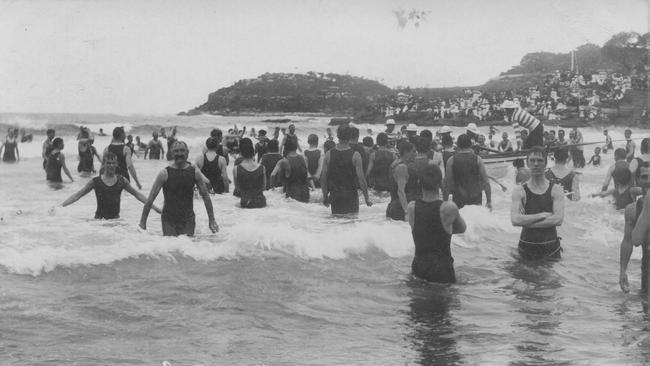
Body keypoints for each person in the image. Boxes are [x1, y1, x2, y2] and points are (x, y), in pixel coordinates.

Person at [140, 141, 218, 236]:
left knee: (187, 247)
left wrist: (212, 220)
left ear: (187, 153)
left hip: (188, 218)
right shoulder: (164, 174)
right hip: (168, 220)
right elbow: (150, 199)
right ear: (172, 153)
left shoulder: (194, 173)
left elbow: (205, 196)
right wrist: (143, 223)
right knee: (170, 248)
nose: (179, 154)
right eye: (176, 151)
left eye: (182, 151)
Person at [406, 164, 466, 283]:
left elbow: (422, 229)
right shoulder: (448, 208)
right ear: (440, 183)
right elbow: (462, 228)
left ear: (419, 183)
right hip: (442, 270)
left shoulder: (411, 207)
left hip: (419, 268)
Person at [61, 153, 162, 219]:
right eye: (108, 163)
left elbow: (138, 195)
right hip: (99, 222)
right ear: (104, 164)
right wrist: (60, 207)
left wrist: (155, 208)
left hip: (115, 223)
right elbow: (77, 195)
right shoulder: (95, 181)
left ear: (117, 164)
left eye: (113, 163)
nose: (111, 165)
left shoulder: (122, 181)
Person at [511, 146, 565, 260]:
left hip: (550, 248)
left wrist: (527, 222)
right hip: (526, 247)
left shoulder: (556, 189)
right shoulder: (519, 190)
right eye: (532, 160)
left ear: (545, 163)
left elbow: (558, 220)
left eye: (540, 160)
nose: (536, 164)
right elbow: (515, 220)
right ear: (527, 163)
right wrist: (540, 215)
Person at [321, 124, 372, 215]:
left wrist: (325, 196)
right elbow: (361, 179)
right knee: (350, 225)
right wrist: (366, 198)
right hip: (351, 196)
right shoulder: (355, 155)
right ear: (349, 136)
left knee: (337, 224)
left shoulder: (329, 154)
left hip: (335, 196)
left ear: (337, 136)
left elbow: (323, 177)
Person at [622, 163, 650, 292]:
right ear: (638, 180)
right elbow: (629, 241)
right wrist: (623, 270)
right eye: (645, 177)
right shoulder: (632, 210)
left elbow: (636, 239)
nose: (649, 180)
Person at [445, 134, 491, 210]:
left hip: (459, 199)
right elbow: (486, 182)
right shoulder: (478, 159)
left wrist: (445, 201)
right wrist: (489, 201)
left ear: (458, 145)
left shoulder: (451, 160)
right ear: (470, 144)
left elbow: (447, 184)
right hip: (476, 199)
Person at [272, 137, 311, 202]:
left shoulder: (284, 161)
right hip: (305, 192)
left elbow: (273, 175)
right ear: (296, 147)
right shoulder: (304, 158)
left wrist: (272, 188)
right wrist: (313, 188)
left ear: (286, 149)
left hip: (293, 193)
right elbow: (308, 175)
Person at [386, 141, 418, 220]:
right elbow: (400, 191)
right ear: (406, 152)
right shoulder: (401, 167)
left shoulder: (395, 163)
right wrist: (407, 212)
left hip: (395, 206)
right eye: (413, 151)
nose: (416, 154)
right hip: (399, 209)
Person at [234, 138, 267, 208]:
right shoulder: (262, 167)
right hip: (260, 202)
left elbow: (237, 188)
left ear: (242, 153)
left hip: (245, 202)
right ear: (253, 153)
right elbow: (264, 187)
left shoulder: (236, 169)